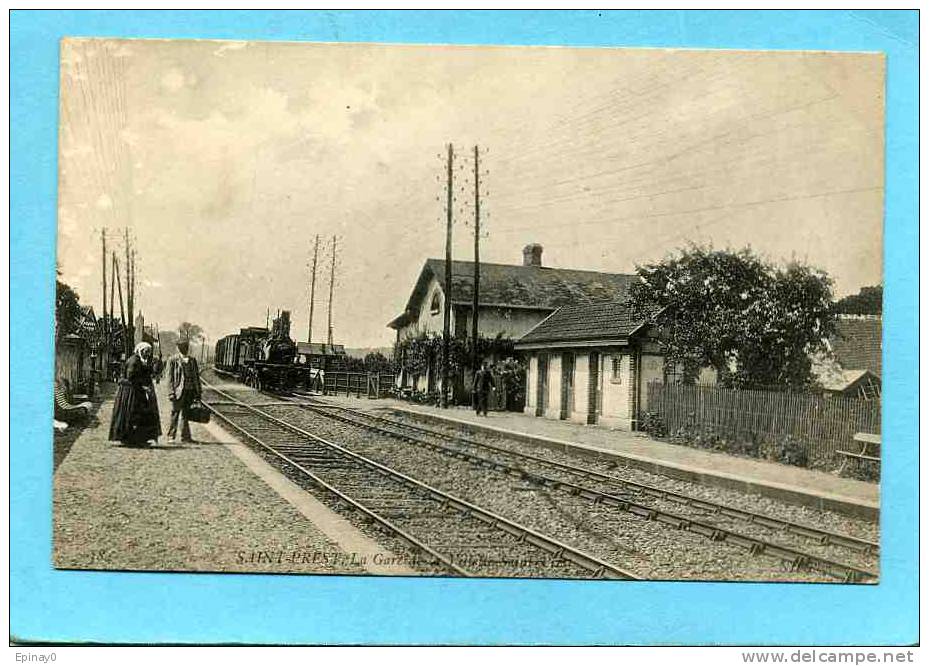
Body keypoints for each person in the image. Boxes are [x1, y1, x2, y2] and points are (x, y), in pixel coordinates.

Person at [108, 342, 162, 447]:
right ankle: (131, 439)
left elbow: (146, 372)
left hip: (136, 391)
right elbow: (131, 377)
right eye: (146, 352)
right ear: (140, 351)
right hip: (130, 392)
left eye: (149, 352)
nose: (148, 354)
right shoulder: (134, 361)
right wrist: (143, 386)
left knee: (139, 415)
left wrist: (157, 364)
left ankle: (137, 438)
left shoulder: (140, 360)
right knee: (132, 414)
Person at [166, 339, 202, 443]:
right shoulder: (173, 360)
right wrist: (171, 392)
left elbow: (196, 377)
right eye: (182, 347)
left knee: (186, 414)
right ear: (178, 348)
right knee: (175, 413)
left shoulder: (192, 360)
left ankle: (185, 437)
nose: (184, 349)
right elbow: (169, 378)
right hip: (178, 392)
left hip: (190, 391)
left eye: (186, 346)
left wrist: (198, 392)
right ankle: (171, 436)